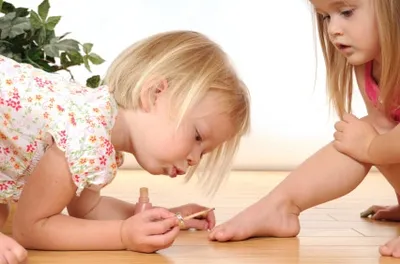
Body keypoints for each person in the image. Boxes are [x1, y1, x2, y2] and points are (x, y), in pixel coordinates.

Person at [0, 30, 251, 263]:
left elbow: (87, 208)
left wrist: (160, 219)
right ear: (154, 93)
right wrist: (122, 235)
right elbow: (31, 228)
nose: (195, 158)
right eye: (197, 136)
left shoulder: (97, 128)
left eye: (203, 151)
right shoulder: (84, 129)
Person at [208, 0, 400, 258]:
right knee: (365, 132)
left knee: (368, 140)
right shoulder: (368, 64)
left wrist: (369, 146)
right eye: (324, 17)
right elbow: (385, 131)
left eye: (346, 12)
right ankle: (280, 205)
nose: (333, 29)